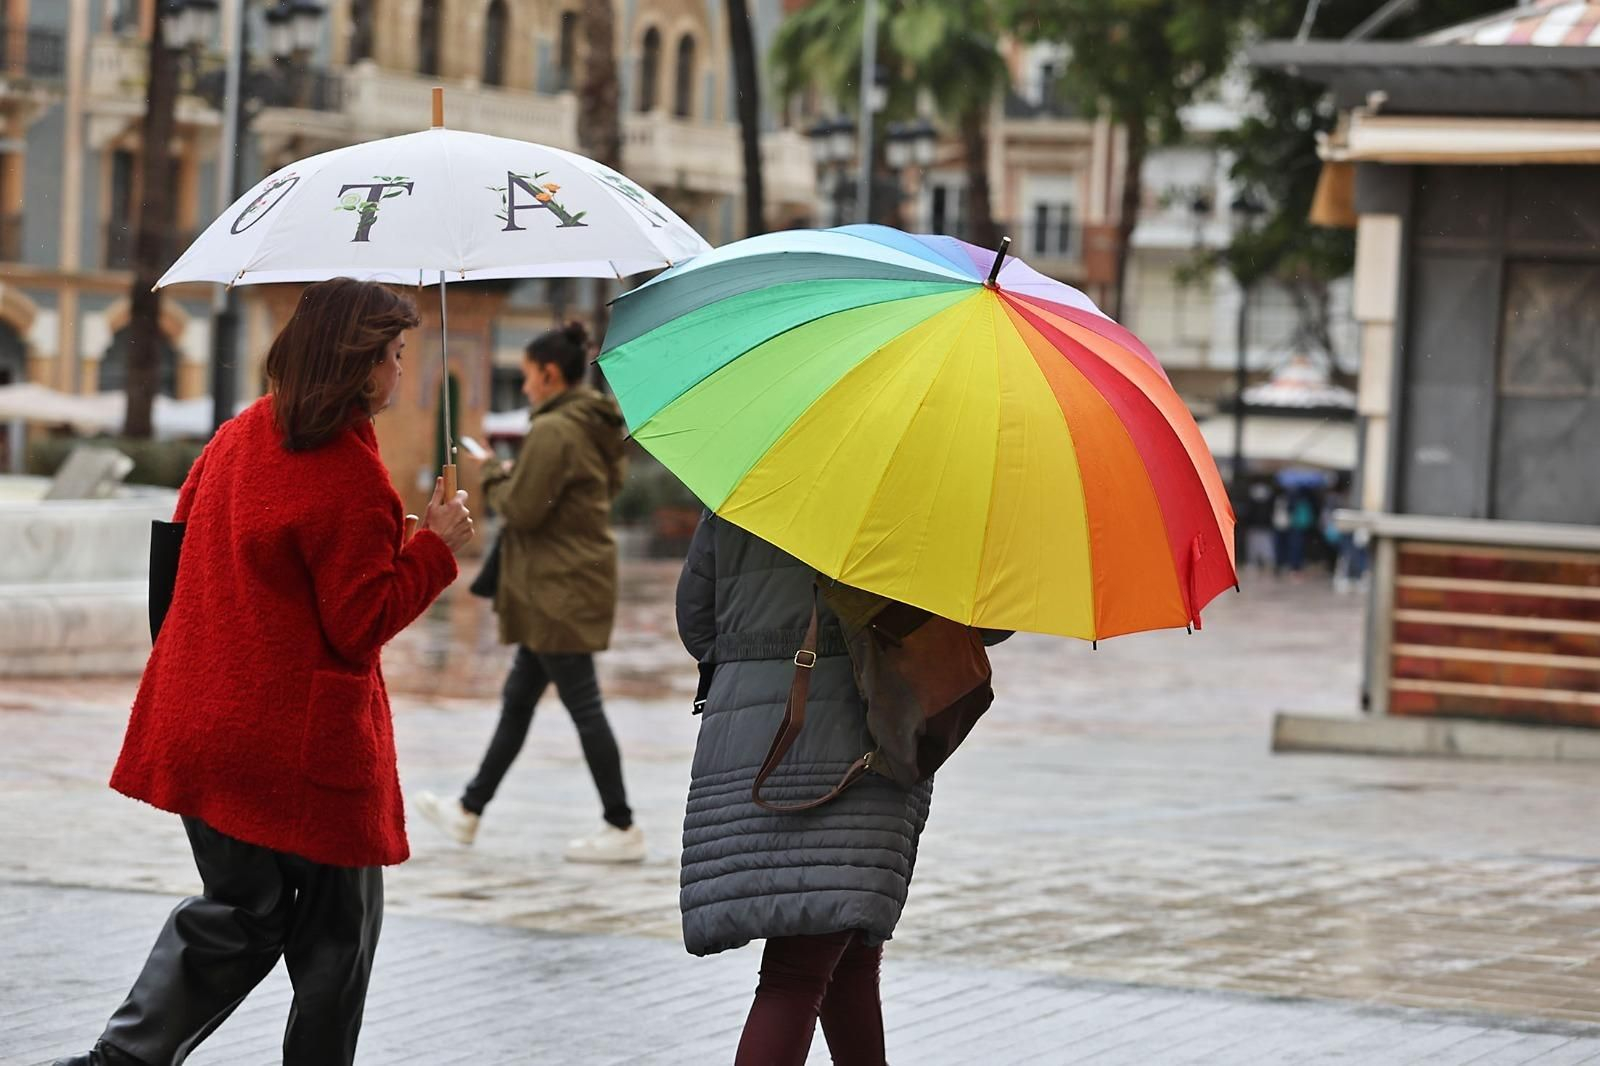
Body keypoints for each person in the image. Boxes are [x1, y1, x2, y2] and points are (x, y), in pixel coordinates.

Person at [55, 278, 475, 1066]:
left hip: (203, 721)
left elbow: (176, 561)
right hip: (303, 752)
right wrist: (434, 550)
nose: (399, 374)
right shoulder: (350, 476)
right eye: (393, 357)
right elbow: (359, 627)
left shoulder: (238, 435)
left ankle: (122, 1059)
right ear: (357, 365)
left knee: (241, 911)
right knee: (336, 948)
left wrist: (385, 546)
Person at [675, 512, 1006, 1065]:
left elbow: (698, 626)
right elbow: (984, 625)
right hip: (860, 735)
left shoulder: (751, 486)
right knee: (798, 970)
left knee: (846, 947)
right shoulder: (924, 497)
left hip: (744, 736)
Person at [414, 323, 643, 863]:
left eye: (527, 377)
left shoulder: (556, 430)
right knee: (518, 700)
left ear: (549, 373)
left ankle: (622, 825)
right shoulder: (588, 424)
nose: (523, 389)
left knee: (582, 704)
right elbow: (571, 494)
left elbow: (521, 509)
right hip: (563, 581)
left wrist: (492, 471)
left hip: (557, 587)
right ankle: (469, 810)